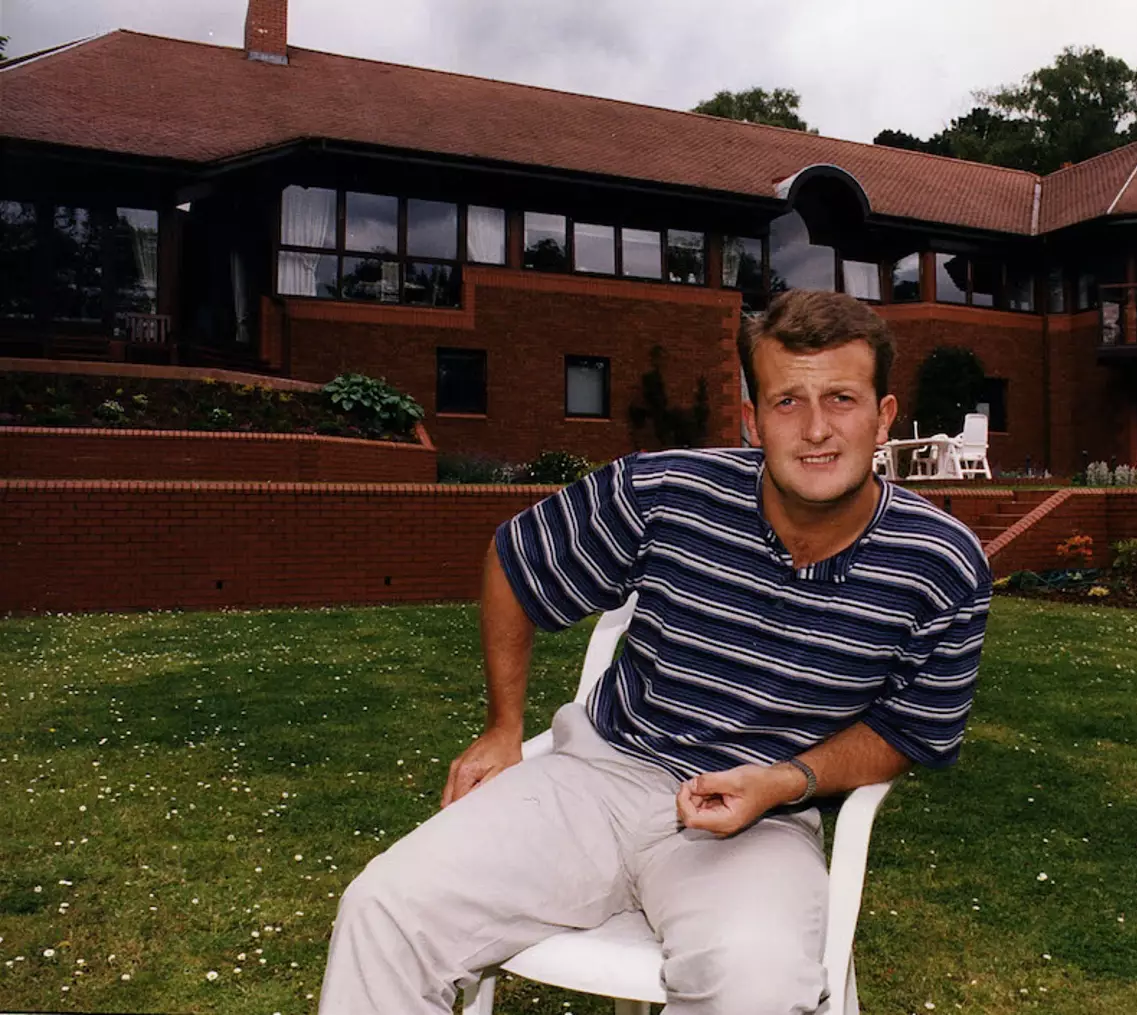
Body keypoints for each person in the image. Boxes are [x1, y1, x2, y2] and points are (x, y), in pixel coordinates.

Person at [318, 289, 991, 1014]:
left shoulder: (939, 563)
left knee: (758, 984)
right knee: (384, 910)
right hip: (600, 777)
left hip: (759, 818)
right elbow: (516, 558)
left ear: (884, 415)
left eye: (842, 398)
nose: (817, 429)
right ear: (751, 417)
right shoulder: (667, 489)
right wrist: (502, 725)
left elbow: (907, 732)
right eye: (787, 401)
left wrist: (785, 780)